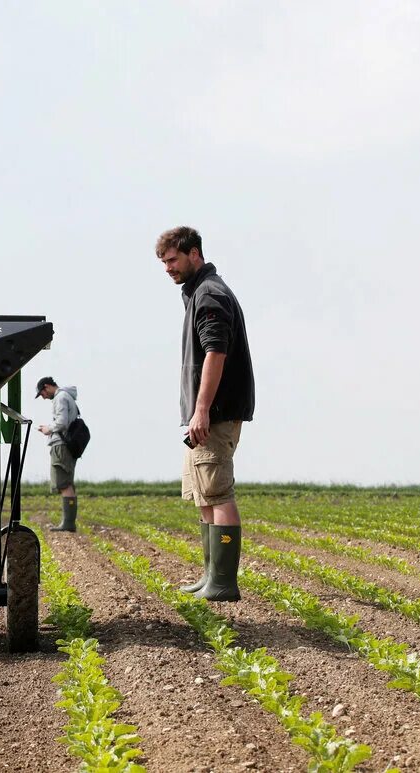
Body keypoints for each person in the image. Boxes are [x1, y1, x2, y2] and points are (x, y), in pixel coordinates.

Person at [156, 226, 255, 602]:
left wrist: (201, 410)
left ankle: (224, 581)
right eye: (163, 262)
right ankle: (211, 575)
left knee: (217, 491)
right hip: (205, 414)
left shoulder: (210, 294)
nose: (167, 268)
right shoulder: (198, 292)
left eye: (172, 260)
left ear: (193, 253)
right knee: (202, 492)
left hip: (215, 412)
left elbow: (215, 352)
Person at [35, 376, 80, 532]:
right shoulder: (67, 396)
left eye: (42, 393)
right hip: (66, 445)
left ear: (47, 387)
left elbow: (62, 422)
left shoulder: (60, 397)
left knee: (63, 483)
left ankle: (68, 523)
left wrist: (48, 428)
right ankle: (68, 522)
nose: (43, 397)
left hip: (61, 446)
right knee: (66, 482)